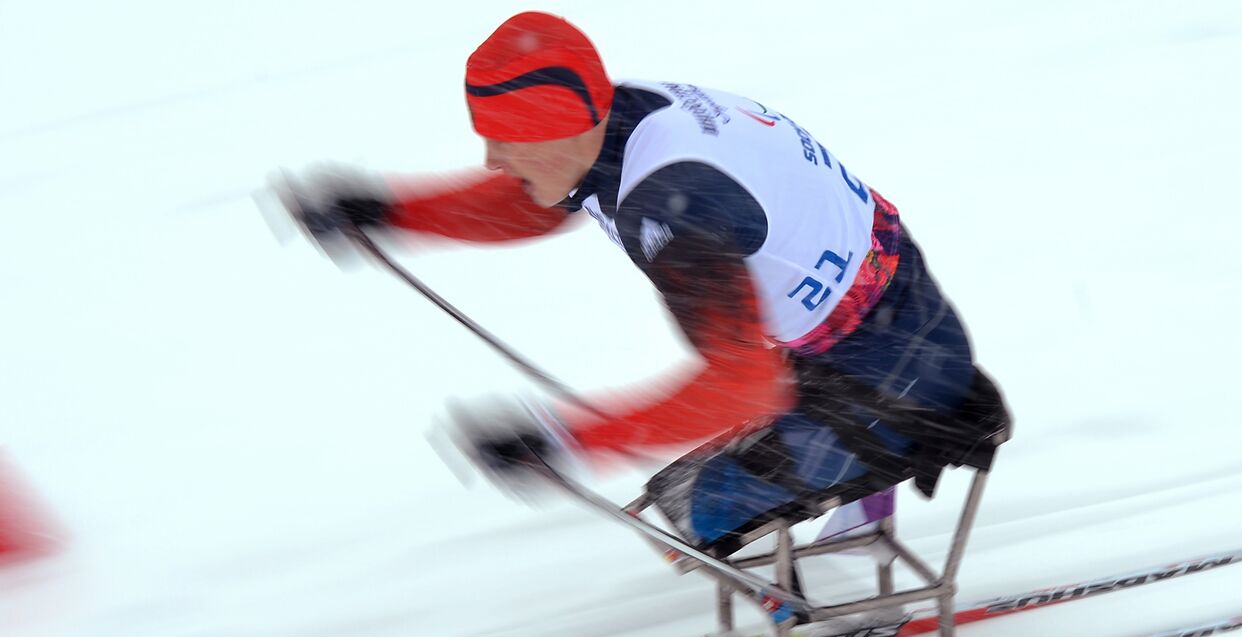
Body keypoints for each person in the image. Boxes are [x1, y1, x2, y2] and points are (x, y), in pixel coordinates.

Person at [285, 11, 1009, 560]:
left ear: (561, 128)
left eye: (504, 138)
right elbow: (537, 198)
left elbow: (741, 386)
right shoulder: (624, 117)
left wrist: (561, 439)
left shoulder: (673, 207)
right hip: (884, 322)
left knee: (700, 508)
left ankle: (818, 579)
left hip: (892, 374)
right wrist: (390, 211)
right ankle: (855, 497)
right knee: (696, 466)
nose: (491, 157)